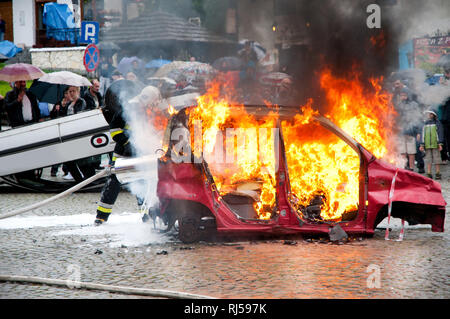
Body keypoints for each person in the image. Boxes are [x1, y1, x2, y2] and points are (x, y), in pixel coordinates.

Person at [93, 80, 144, 225]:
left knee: (142, 184)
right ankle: (101, 216)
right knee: (112, 186)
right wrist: (126, 143)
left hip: (138, 156)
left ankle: (146, 214)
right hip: (121, 156)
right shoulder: (124, 111)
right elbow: (114, 130)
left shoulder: (143, 112)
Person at [396, 87, 422, 171]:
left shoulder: (414, 105)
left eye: (404, 95)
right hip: (401, 133)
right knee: (403, 152)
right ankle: (404, 168)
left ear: (408, 95)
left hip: (411, 133)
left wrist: (418, 132)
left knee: (411, 152)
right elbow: (396, 118)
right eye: (401, 95)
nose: (403, 97)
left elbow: (418, 119)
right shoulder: (398, 106)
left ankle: (411, 168)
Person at [420, 110, 444, 180]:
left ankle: (438, 173)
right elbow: (423, 134)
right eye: (428, 114)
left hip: (435, 144)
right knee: (428, 159)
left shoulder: (437, 123)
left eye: (431, 114)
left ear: (434, 115)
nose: (429, 115)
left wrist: (440, 143)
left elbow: (440, 133)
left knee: (437, 159)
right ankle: (429, 173)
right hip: (427, 145)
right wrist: (422, 144)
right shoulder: (424, 124)